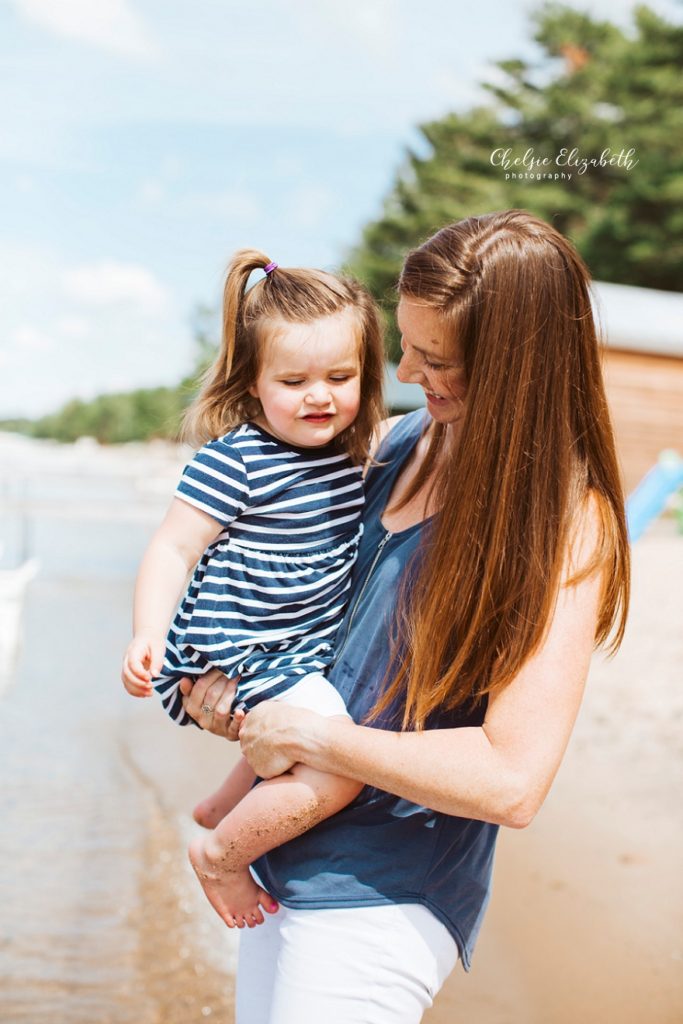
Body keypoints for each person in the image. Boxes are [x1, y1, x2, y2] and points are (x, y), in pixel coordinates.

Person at [180, 210, 631, 1024]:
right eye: (406, 343)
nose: (403, 368)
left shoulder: (567, 522)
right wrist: (230, 686)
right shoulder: (395, 442)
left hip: (383, 890)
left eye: (436, 358)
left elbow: (511, 779)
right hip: (280, 850)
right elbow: (296, 608)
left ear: (514, 367)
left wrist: (310, 738)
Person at [121, 249, 385, 928]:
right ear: (252, 383)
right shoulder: (236, 461)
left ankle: (218, 808)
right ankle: (220, 853)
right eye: (293, 380)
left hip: (295, 649)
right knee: (338, 764)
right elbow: (174, 546)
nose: (319, 396)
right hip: (239, 649)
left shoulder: (352, 455)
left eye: (340, 376)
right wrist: (148, 632)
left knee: (306, 737)